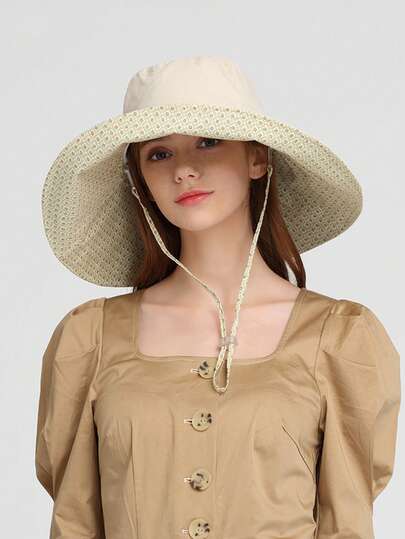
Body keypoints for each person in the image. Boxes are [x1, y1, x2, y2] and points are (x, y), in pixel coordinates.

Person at [35, 55, 401, 538]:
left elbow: (348, 524)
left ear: (257, 158)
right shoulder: (89, 340)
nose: (184, 170)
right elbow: (74, 522)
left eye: (208, 142)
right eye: (159, 154)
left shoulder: (339, 339)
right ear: (140, 181)